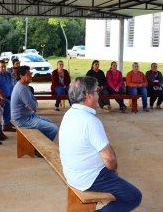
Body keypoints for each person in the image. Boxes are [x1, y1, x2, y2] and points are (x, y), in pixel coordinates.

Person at [59, 76, 142, 211]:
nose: (98, 95)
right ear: (88, 96)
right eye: (96, 92)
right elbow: (109, 158)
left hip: (71, 172)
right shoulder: (90, 121)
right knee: (134, 196)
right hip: (88, 177)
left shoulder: (69, 113)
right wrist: (113, 170)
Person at [11, 66, 58, 157]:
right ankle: (40, 150)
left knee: (49, 122)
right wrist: (32, 105)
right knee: (53, 128)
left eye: (30, 73)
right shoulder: (21, 89)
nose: (31, 76)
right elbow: (33, 106)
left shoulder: (25, 86)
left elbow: (34, 103)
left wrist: (33, 105)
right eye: (28, 74)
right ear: (21, 76)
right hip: (22, 120)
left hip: (29, 116)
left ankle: (38, 145)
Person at [0, 60, 15, 132]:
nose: (3, 68)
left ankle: (7, 123)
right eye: (1, 67)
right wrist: (3, 98)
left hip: (9, 95)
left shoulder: (8, 74)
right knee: (7, 104)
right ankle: (5, 125)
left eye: (4, 66)